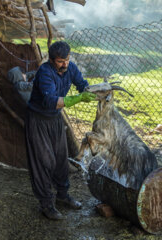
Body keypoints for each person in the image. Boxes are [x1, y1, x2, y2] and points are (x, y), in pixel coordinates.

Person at [25, 41, 96, 220]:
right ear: (51, 60)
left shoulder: (70, 68)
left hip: (55, 119)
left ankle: (63, 196)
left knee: (60, 160)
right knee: (44, 162)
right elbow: (51, 101)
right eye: (60, 61)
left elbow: (82, 84)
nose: (65, 64)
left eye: (67, 59)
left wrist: (94, 91)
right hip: (38, 120)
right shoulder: (44, 72)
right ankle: (47, 204)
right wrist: (79, 98)